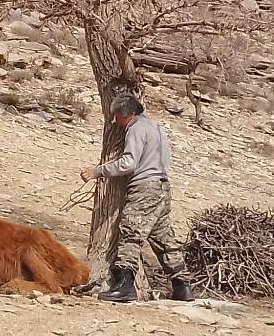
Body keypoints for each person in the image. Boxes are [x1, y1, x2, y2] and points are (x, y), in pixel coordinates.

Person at [79, 90, 192, 303]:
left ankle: (125, 285)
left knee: (131, 233)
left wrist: (98, 171)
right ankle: (182, 287)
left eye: (118, 116)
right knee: (163, 238)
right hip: (162, 187)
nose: (115, 121)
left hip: (144, 188)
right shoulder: (156, 128)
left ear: (129, 114)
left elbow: (128, 163)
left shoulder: (136, 129)